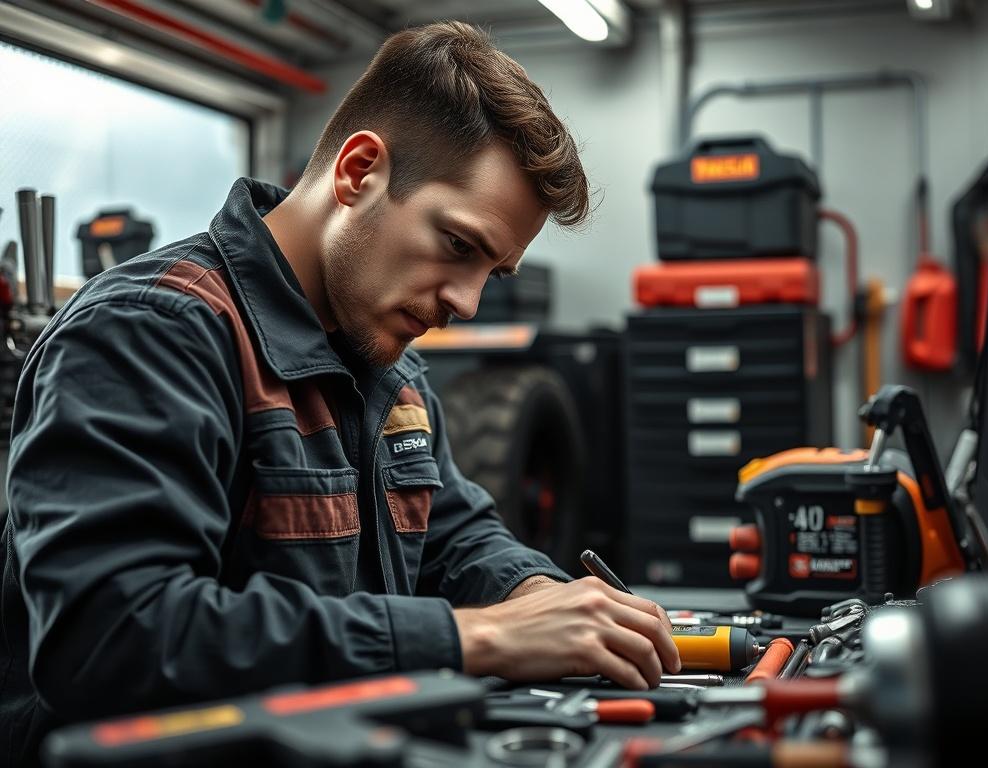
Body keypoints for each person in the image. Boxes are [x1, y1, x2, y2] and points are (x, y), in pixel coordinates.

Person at [0, 21, 679, 766]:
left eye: (494, 272)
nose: (468, 302)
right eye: (458, 245)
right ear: (359, 172)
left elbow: (453, 537)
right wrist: (477, 636)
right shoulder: (151, 334)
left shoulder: (390, 368)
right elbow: (113, 638)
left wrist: (540, 598)